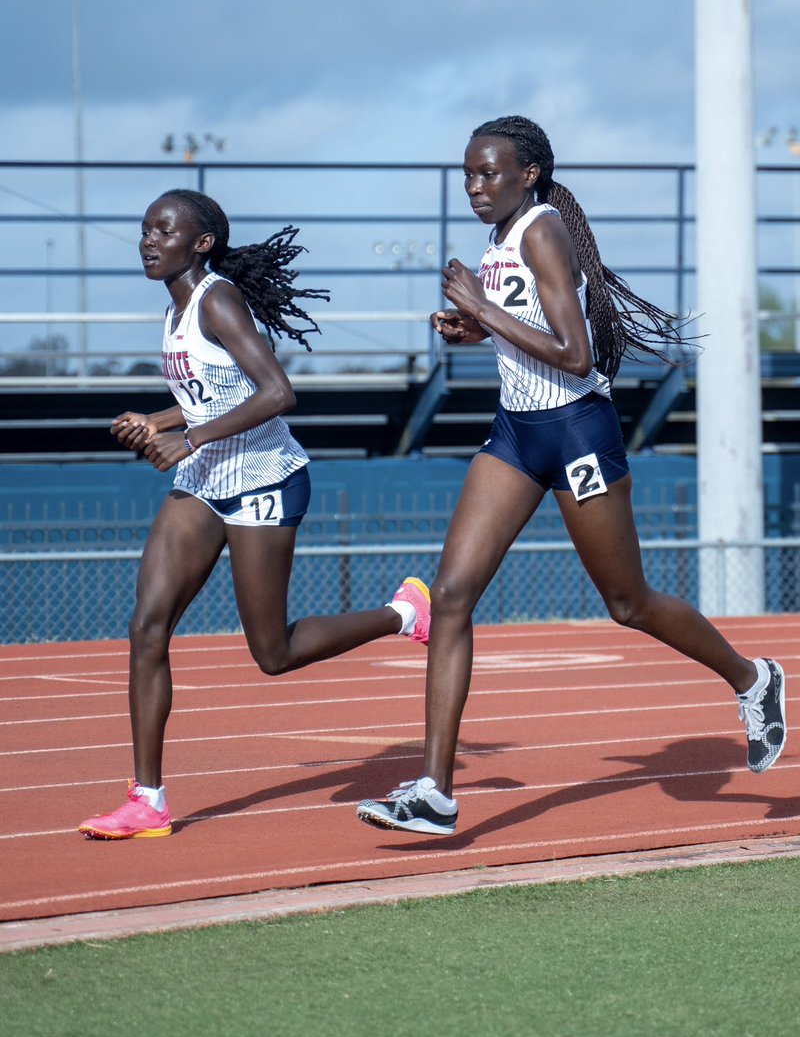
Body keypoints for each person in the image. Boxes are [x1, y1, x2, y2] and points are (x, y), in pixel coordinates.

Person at [357, 115, 787, 836]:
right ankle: (435, 788)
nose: (474, 187)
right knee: (453, 596)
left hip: (577, 431)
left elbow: (577, 354)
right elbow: (526, 328)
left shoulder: (542, 230)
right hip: (518, 433)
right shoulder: (501, 238)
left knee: (627, 601)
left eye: (489, 173)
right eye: (467, 174)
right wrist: (475, 327)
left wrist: (481, 306)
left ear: (529, 174)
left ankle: (752, 677)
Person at [79, 188, 430, 839]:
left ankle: (404, 612)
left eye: (163, 228)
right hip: (206, 479)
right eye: (144, 228)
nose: (148, 239)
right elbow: (213, 395)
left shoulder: (216, 298)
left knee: (273, 652)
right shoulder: (176, 307)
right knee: (147, 625)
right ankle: (147, 799)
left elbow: (277, 391)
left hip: (264, 478)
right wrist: (153, 419)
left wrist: (188, 437)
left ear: (201, 242)